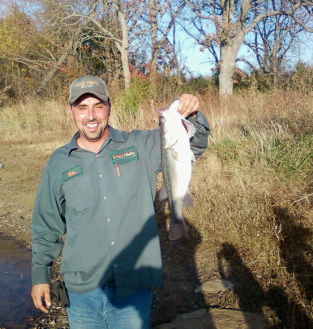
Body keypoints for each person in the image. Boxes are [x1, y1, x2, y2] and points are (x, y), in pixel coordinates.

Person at [30, 75, 210, 329]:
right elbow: (46, 223)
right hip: (82, 291)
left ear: (109, 107)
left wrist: (191, 114)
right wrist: (40, 276)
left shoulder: (140, 145)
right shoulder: (59, 161)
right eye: (82, 108)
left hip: (134, 287)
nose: (91, 116)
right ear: (71, 111)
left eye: (97, 106)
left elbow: (195, 144)